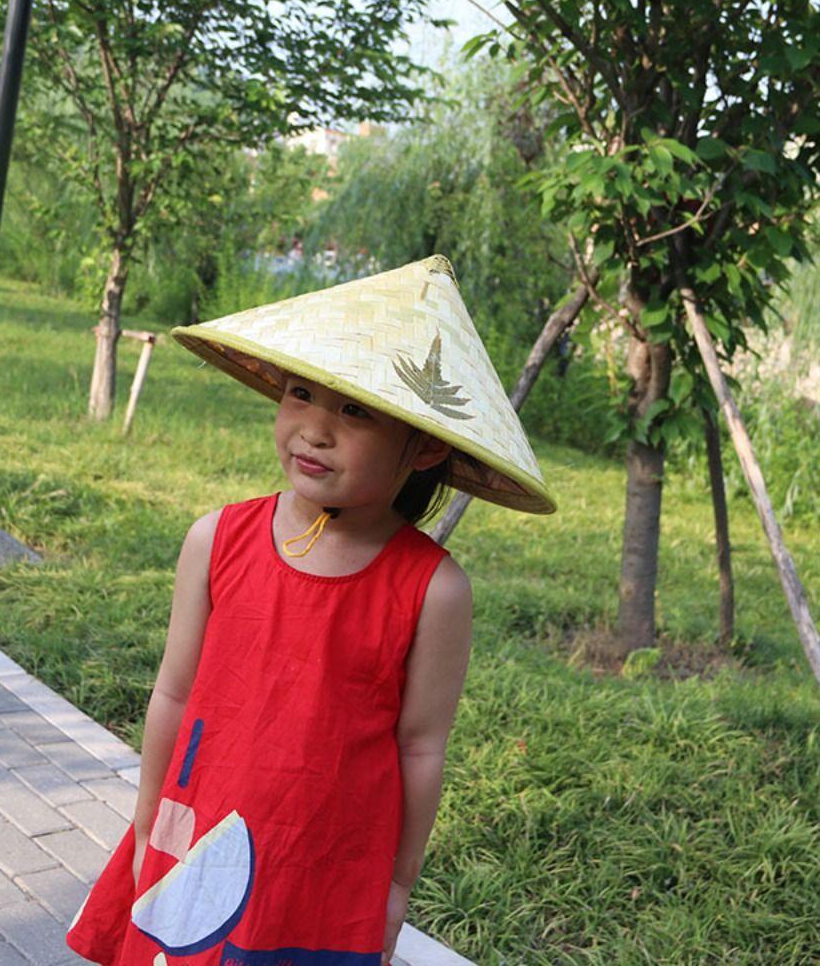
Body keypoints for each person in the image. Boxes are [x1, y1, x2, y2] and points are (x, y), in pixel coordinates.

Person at [66, 255, 556, 966]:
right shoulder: (216, 540)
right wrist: (145, 823)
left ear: (422, 446)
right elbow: (174, 692)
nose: (315, 429)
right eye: (301, 393)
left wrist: (394, 889)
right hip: (193, 832)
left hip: (325, 868)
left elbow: (421, 750)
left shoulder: (433, 591)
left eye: (355, 410)